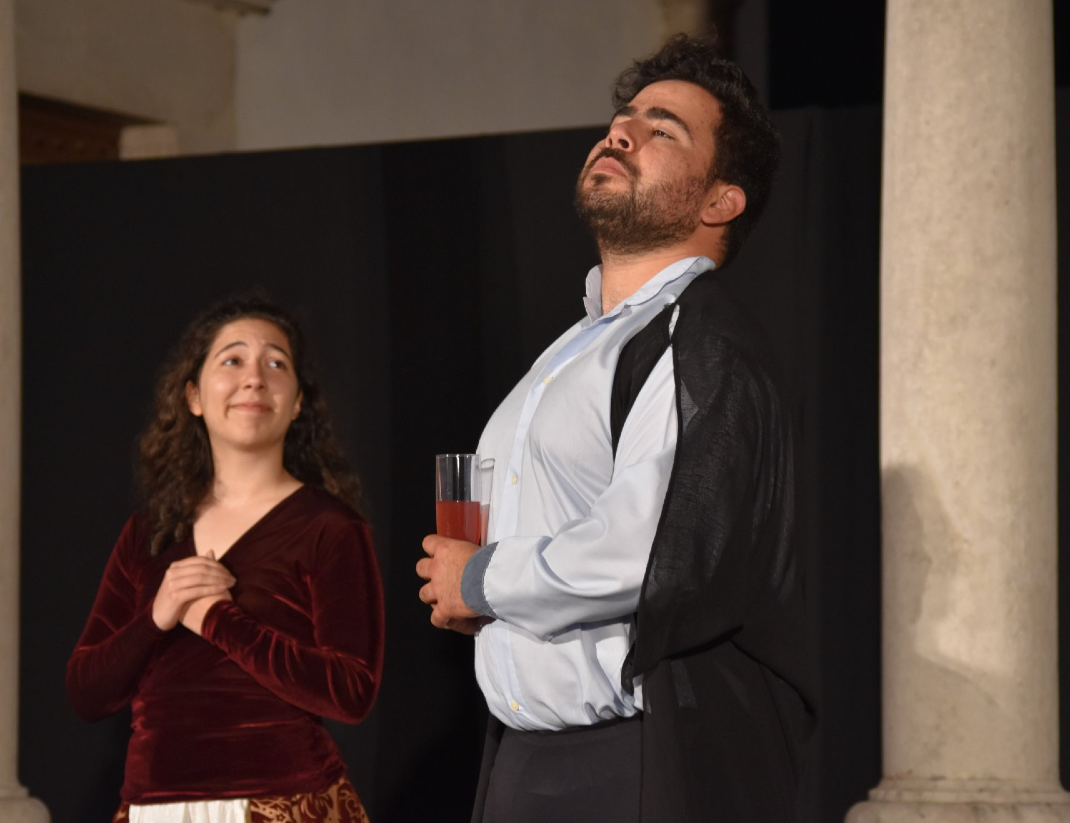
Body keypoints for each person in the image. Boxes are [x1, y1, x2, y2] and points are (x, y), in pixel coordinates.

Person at [415, 34, 815, 823]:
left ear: (719, 202)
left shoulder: (700, 342)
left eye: (662, 129)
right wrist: (480, 589)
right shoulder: (577, 346)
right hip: (525, 759)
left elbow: (646, 549)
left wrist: (482, 577)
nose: (620, 134)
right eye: (621, 119)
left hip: (630, 764)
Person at [67, 296, 383, 823]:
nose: (254, 379)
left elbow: (352, 692)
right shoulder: (148, 532)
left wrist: (217, 618)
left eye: (276, 363)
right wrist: (157, 616)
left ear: (297, 403)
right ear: (193, 396)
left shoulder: (331, 528)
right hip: (154, 809)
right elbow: (86, 692)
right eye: (232, 360)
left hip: (284, 805)